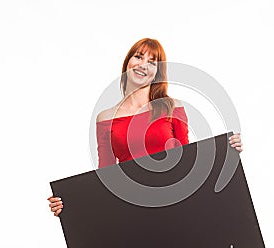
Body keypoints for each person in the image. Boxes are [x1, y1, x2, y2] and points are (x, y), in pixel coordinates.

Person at [48, 38, 243, 216]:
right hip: (133, 208)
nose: (143, 65)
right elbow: (106, 176)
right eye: (139, 57)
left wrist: (227, 151)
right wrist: (69, 202)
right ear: (128, 62)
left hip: (176, 202)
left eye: (152, 62)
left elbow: (189, 160)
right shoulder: (106, 118)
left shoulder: (172, 106)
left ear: (157, 72)